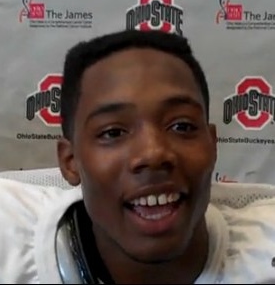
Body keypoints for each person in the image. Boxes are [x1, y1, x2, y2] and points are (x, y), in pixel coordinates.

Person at [0, 29, 275, 284]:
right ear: (70, 161)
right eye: (113, 132)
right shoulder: (9, 242)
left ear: (212, 144)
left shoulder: (265, 252)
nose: (153, 153)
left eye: (182, 126)